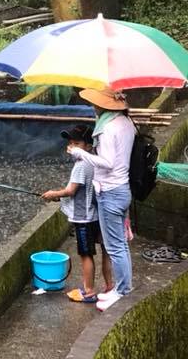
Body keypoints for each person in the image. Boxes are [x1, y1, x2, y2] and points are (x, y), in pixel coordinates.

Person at [69, 87, 135, 311]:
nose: (93, 107)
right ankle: (121, 288)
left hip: (110, 191)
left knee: (115, 246)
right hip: (123, 188)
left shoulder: (107, 128)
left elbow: (107, 162)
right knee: (120, 245)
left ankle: (122, 291)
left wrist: (82, 154)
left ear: (102, 105)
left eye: (95, 104)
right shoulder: (126, 123)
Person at [41, 124, 113, 304]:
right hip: (98, 214)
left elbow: (71, 191)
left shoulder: (82, 164)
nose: (72, 147)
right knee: (106, 252)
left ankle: (88, 291)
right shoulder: (96, 160)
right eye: (70, 143)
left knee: (86, 254)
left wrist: (53, 194)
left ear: (88, 146)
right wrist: (61, 196)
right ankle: (110, 286)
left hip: (83, 217)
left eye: (77, 143)